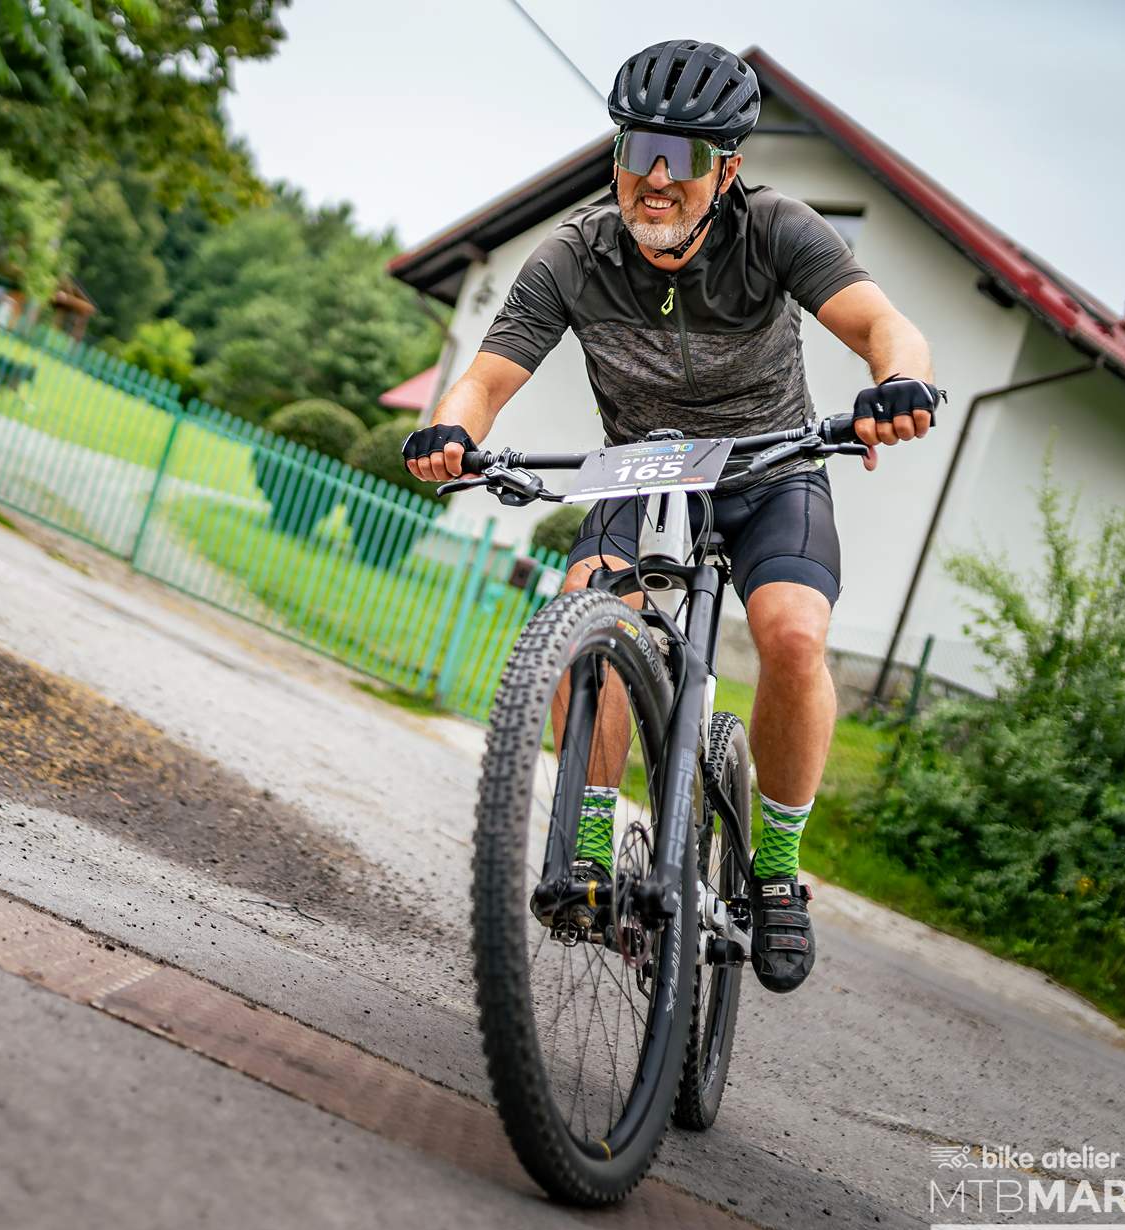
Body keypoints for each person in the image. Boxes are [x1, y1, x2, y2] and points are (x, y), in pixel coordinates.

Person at [403, 39, 942, 994]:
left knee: (792, 635)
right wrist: (450, 431)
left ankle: (777, 870)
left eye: (682, 156)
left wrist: (898, 381)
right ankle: (588, 846)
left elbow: (882, 326)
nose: (656, 178)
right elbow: (483, 379)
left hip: (772, 469)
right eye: (638, 150)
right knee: (583, 610)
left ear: (725, 169)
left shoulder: (777, 229)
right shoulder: (572, 254)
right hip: (642, 472)